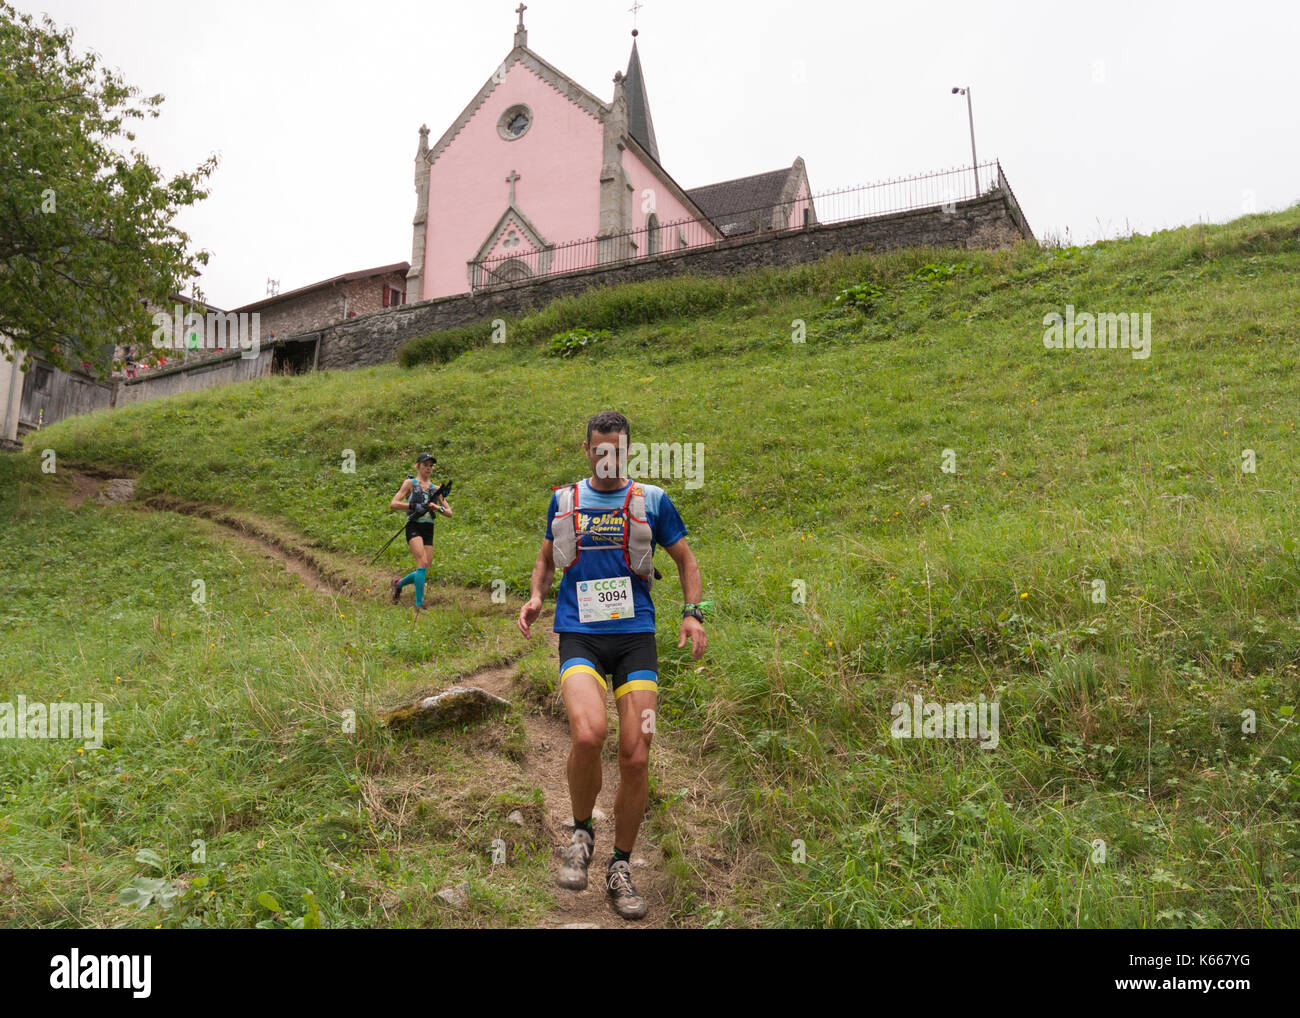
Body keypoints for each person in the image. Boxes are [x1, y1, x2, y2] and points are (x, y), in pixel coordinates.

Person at [517, 410, 707, 920]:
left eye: (617, 451)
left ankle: (621, 865)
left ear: (627, 451)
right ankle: (581, 832)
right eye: (600, 450)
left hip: (635, 641)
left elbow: (686, 561)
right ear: (587, 450)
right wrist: (536, 595)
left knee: (636, 755)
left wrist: (691, 614)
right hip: (580, 634)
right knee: (586, 735)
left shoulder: (652, 501)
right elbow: (546, 558)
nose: (608, 459)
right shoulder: (565, 501)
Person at [389, 452, 452, 611]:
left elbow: (449, 513)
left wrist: (437, 508)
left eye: (431, 466)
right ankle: (419, 604)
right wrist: (412, 506)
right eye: (425, 465)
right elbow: (394, 503)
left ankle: (398, 584)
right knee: (422, 563)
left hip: (428, 528)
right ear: (418, 466)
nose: (428, 468)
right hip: (414, 525)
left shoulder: (436, 489)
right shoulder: (410, 483)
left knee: (424, 569)